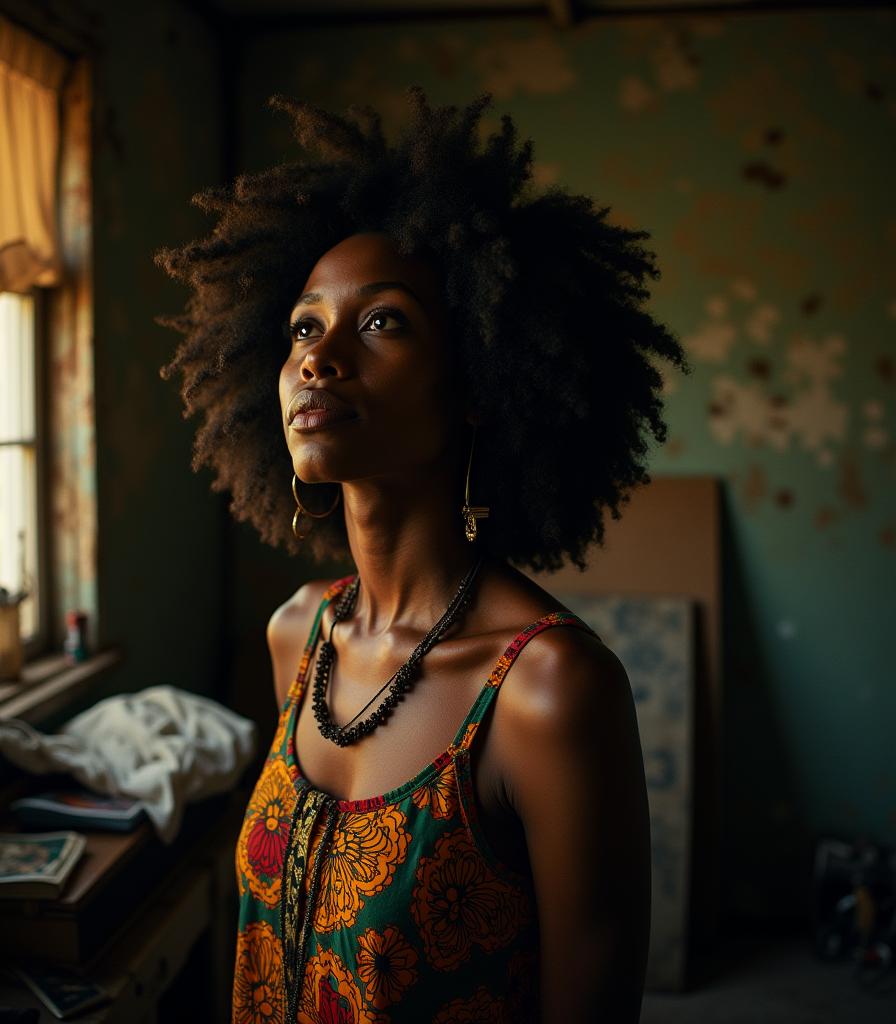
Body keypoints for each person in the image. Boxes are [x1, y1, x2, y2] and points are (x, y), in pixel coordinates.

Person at [157, 88, 690, 1024]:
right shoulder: (298, 635)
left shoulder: (551, 690)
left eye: (382, 322)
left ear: (478, 380)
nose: (319, 358)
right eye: (303, 328)